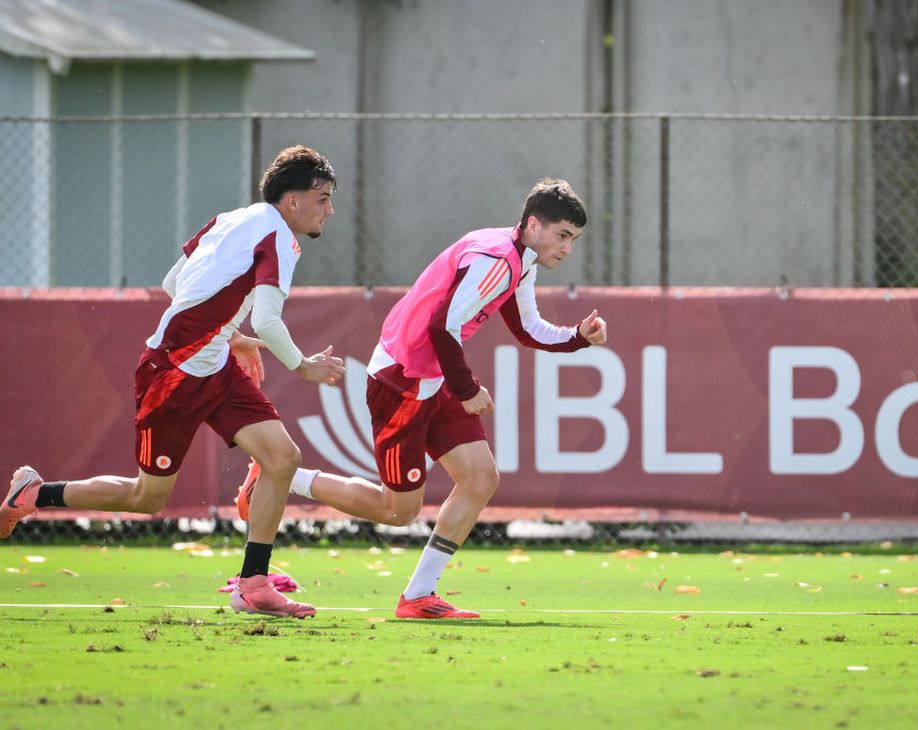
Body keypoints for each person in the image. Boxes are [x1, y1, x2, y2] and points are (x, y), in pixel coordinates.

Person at [235, 178, 607, 619]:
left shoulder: (517, 258)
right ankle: (282, 479)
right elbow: (440, 327)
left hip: (433, 377)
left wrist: (577, 339)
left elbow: (527, 329)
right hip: (403, 381)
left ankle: (418, 597)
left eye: (574, 239)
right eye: (562, 235)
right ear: (532, 224)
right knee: (398, 512)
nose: (567, 248)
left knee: (480, 479)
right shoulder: (498, 260)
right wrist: (467, 390)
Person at [1, 145, 346, 619]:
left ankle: (253, 585)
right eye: (323, 198)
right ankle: (35, 494)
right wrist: (302, 365)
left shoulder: (228, 219)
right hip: (174, 374)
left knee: (282, 458)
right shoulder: (282, 240)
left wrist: (228, 337)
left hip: (213, 364)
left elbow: (172, 282)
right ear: (292, 202)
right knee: (148, 498)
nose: (329, 209)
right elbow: (268, 320)